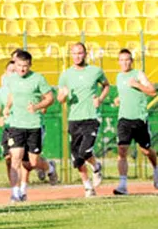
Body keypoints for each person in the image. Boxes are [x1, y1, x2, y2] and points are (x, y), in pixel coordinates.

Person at [4, 50, 58, 203]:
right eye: (19, 65)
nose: (22, 69)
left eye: (25, 66)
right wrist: (7, 107)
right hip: (16, 125)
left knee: (32, 163)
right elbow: (12, 94)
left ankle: (49, 167)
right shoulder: (11, 79)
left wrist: (37, 106)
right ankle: (15, 193)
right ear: (15, 64)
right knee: (16, 158)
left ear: (30, 65)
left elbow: (50, 98)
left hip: (33, 125)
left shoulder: (38, 79)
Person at [57, 42, 108, 197]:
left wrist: (100, 98)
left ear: (85, 54)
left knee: (85, 150)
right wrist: (64, 95)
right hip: (74, 119)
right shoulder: (65, 75)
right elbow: (60, 98)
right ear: (70, 55)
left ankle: (96, 167)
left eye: (80, 53)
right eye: (74, 53)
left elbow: (106, 85)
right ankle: (87, 187)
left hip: (91, 117)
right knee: (77, 157)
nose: (77, 56)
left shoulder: (95, 71)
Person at [112, 48, 158, 195]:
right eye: (122, 60)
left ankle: (156, 169)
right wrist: (119, 99)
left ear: (131, 61)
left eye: (127, 60)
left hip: (139, 118)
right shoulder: (118, 77)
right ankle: (123, 185)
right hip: (124, 118)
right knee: (122, 149)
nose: (124, 63)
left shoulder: (138, 74)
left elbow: (152, 91)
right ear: (118, 62)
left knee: (146, 150)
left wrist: (137, 85)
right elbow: (125, 93)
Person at [0, 60, 35, 190]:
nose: (12, 74)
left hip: (25, 126)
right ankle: (15, 190)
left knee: (28, 162)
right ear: (5, 73)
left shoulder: (26, 87)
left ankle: (46, 167)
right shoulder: (1, 92)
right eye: (10, 71)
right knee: (9, 159)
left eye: (14, 71)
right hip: (9, 129)